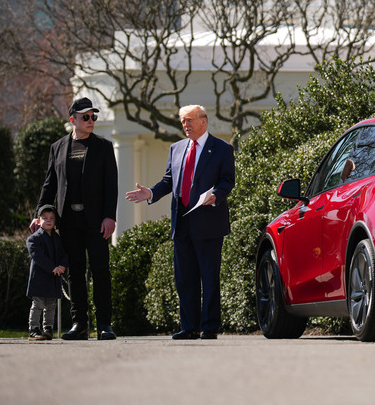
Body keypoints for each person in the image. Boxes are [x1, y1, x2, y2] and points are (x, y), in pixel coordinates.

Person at [125, 105, 234, 340]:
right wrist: (151, 193)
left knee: (209, 277)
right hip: (182, 222)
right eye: (183, 122)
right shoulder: (176, 149)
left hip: (208, 222)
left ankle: (210, 327)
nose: (186, 125)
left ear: (203, 121)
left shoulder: (222, 149)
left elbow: (227, 180)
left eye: (189, 121)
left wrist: (217, 195)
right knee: (185, 278)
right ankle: (189, 326)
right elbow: (168, 181)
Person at [31, 97, 118, 340]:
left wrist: (110, 217)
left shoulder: (104, 147)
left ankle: (104, 325)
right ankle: (79, 324)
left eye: (93, 117)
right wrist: (39, 214)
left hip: (96, 221)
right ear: (73, 120)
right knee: (75, 272)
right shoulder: (57, 148)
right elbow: (50, 185)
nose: (91, 121)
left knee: (100, 270)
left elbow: (111, 186)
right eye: (85, 117)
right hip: (68, 220)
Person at [26, 205, 68, 341]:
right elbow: (38, 256)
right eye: (45, 218)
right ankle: (34, 329)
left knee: (51, 305)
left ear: (55, 221)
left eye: (51, 218)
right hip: (39, 277)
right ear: (38, 221)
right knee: (38, 304)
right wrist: (52, 267)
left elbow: (64, 254)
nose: (48, 221)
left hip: (53, 278)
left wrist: (62, 266)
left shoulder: (58, 239)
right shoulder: (33, 239)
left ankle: (48, 328)